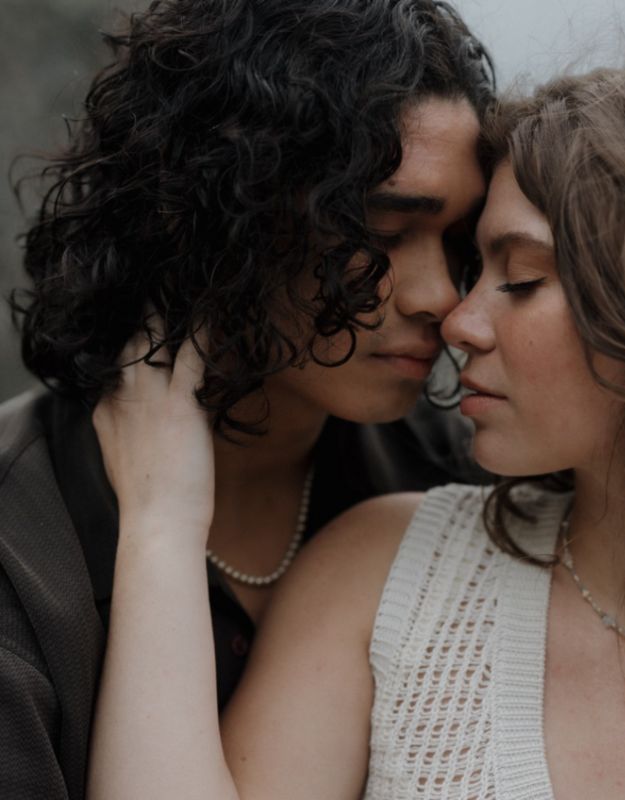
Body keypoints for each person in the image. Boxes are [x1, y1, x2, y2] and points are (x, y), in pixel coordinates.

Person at [90, 54, 625, 799]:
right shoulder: (389, 578)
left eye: (520, 278)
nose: (457, 321)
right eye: (475, 271)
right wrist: (163, 522)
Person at [0, 1, 495, 797]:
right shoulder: (22, 543)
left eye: (461, 243)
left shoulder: (459, 484)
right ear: (223, 212)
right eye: (382, 232)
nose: (442, 296)